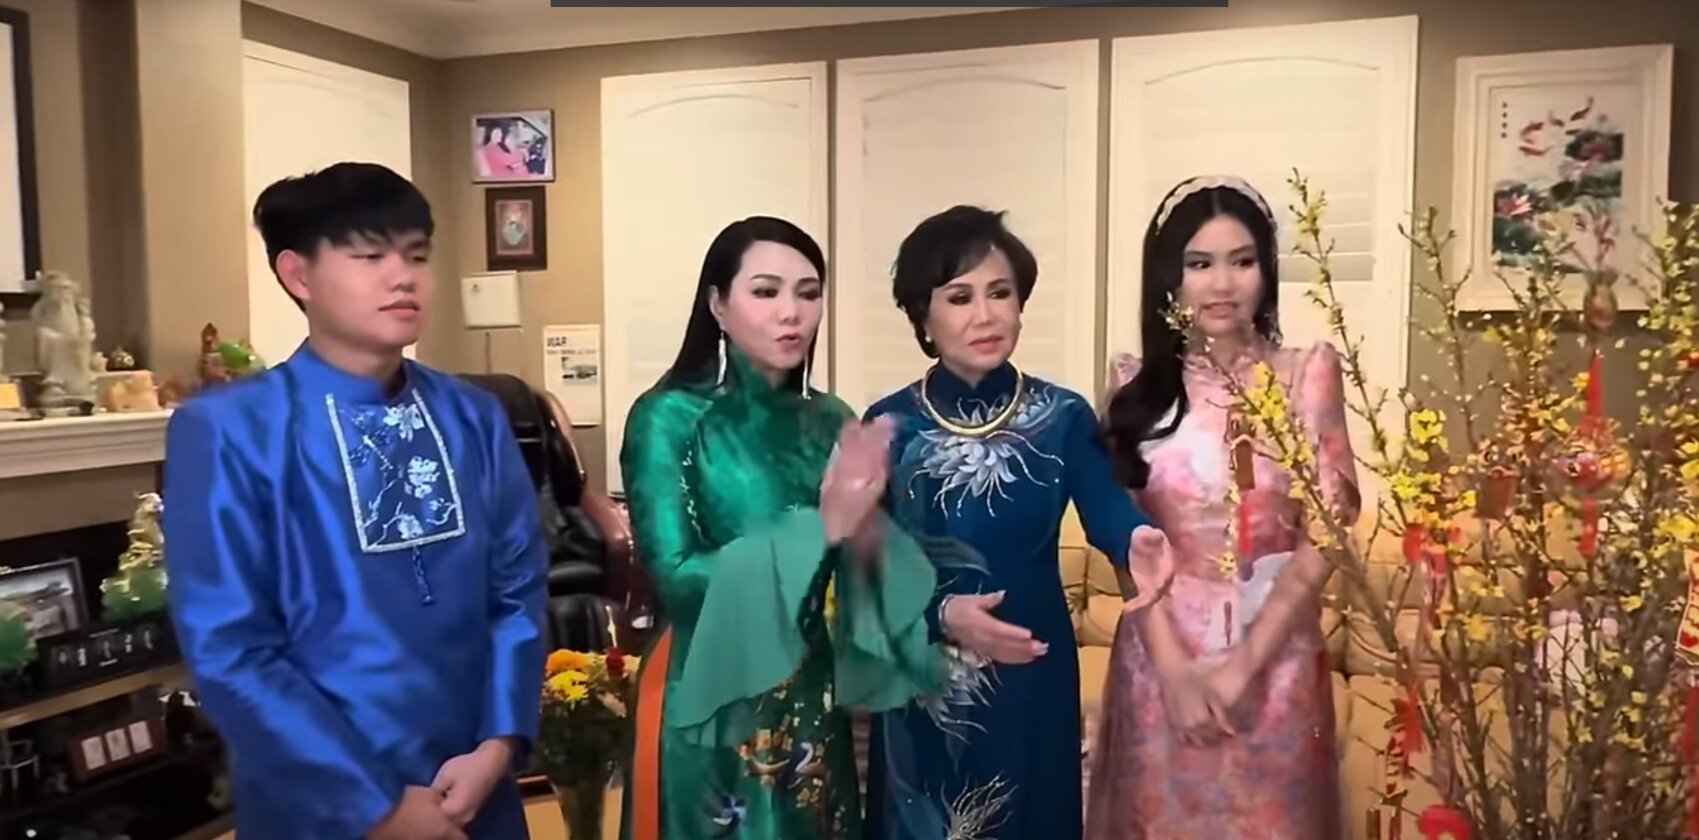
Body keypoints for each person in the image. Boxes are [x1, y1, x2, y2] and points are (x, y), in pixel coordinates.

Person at [162, 163, 546, 840]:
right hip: (321, 801)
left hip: (473, 783)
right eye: (370, 256)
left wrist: (498, 743)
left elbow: (516, 591)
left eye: (416, 255)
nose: (403, 277)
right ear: (298, 275)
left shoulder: (474, 415)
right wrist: (378, 808)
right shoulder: (227, 429)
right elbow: (231, 649)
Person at [618, 216, 947, 840]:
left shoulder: (831, 419)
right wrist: (821, 527)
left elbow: (864, 585)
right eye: (765, 292)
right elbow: (679, 583)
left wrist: (935, 604)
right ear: (718, 305)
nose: (791, 312)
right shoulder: (668, 418)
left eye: (808, 292)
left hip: (810, 698)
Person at [863, 206, 1172, 840]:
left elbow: (1107, 508)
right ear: (922, 317)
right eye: (960, 298)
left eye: (1000, 293)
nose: (985, 315)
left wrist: (1137, 539)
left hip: (1034, 679)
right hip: (928, 684)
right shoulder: (887, 427)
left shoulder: (1062, 415)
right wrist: (941, 615)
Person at [1087, 175, 1359, 839]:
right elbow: (1125, 540)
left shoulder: (1306, 373)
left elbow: (1328, 531)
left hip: (1275, 662)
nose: (1222, 284)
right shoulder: (1132, 386)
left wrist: (1244, 664)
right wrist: (1174, 672)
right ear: (1169, 276)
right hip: (1161, 660)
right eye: (1199, 264)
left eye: (1242, 261)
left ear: (1266, 271)